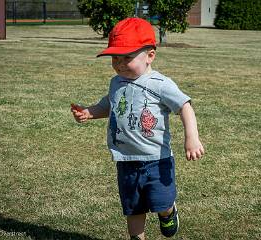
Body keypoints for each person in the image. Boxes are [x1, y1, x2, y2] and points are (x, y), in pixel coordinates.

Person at [71, 17, 204, 240]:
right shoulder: (117, 82)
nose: (120, 63)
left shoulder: (160, 84)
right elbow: (109, 104)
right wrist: (90, 112)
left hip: (156, 160)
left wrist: (192, 138)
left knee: (160, 200)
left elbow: (185, 106)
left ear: (150, 55)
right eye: (115, 57)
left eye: (127, 57)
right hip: (125, 159)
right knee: (133, 207)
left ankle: (168, 212)